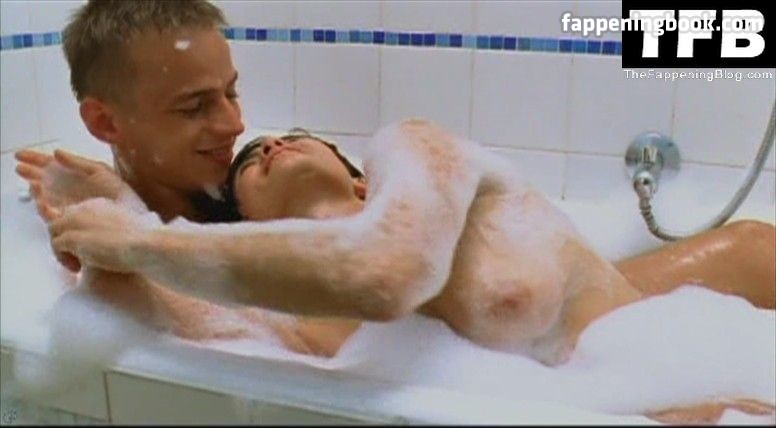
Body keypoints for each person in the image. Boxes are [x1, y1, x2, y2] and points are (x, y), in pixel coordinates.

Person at [12, 0, 774, 422]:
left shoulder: (404, 159)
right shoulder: (255, 272)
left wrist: (130, 235)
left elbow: (381, 269)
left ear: (360, 183)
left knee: (746, 247)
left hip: (641, 335)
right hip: (605, 366)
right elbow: (211, 320)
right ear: (105, 121)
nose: (240, 128)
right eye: (195, 106)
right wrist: (111, 223)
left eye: (234, 93)